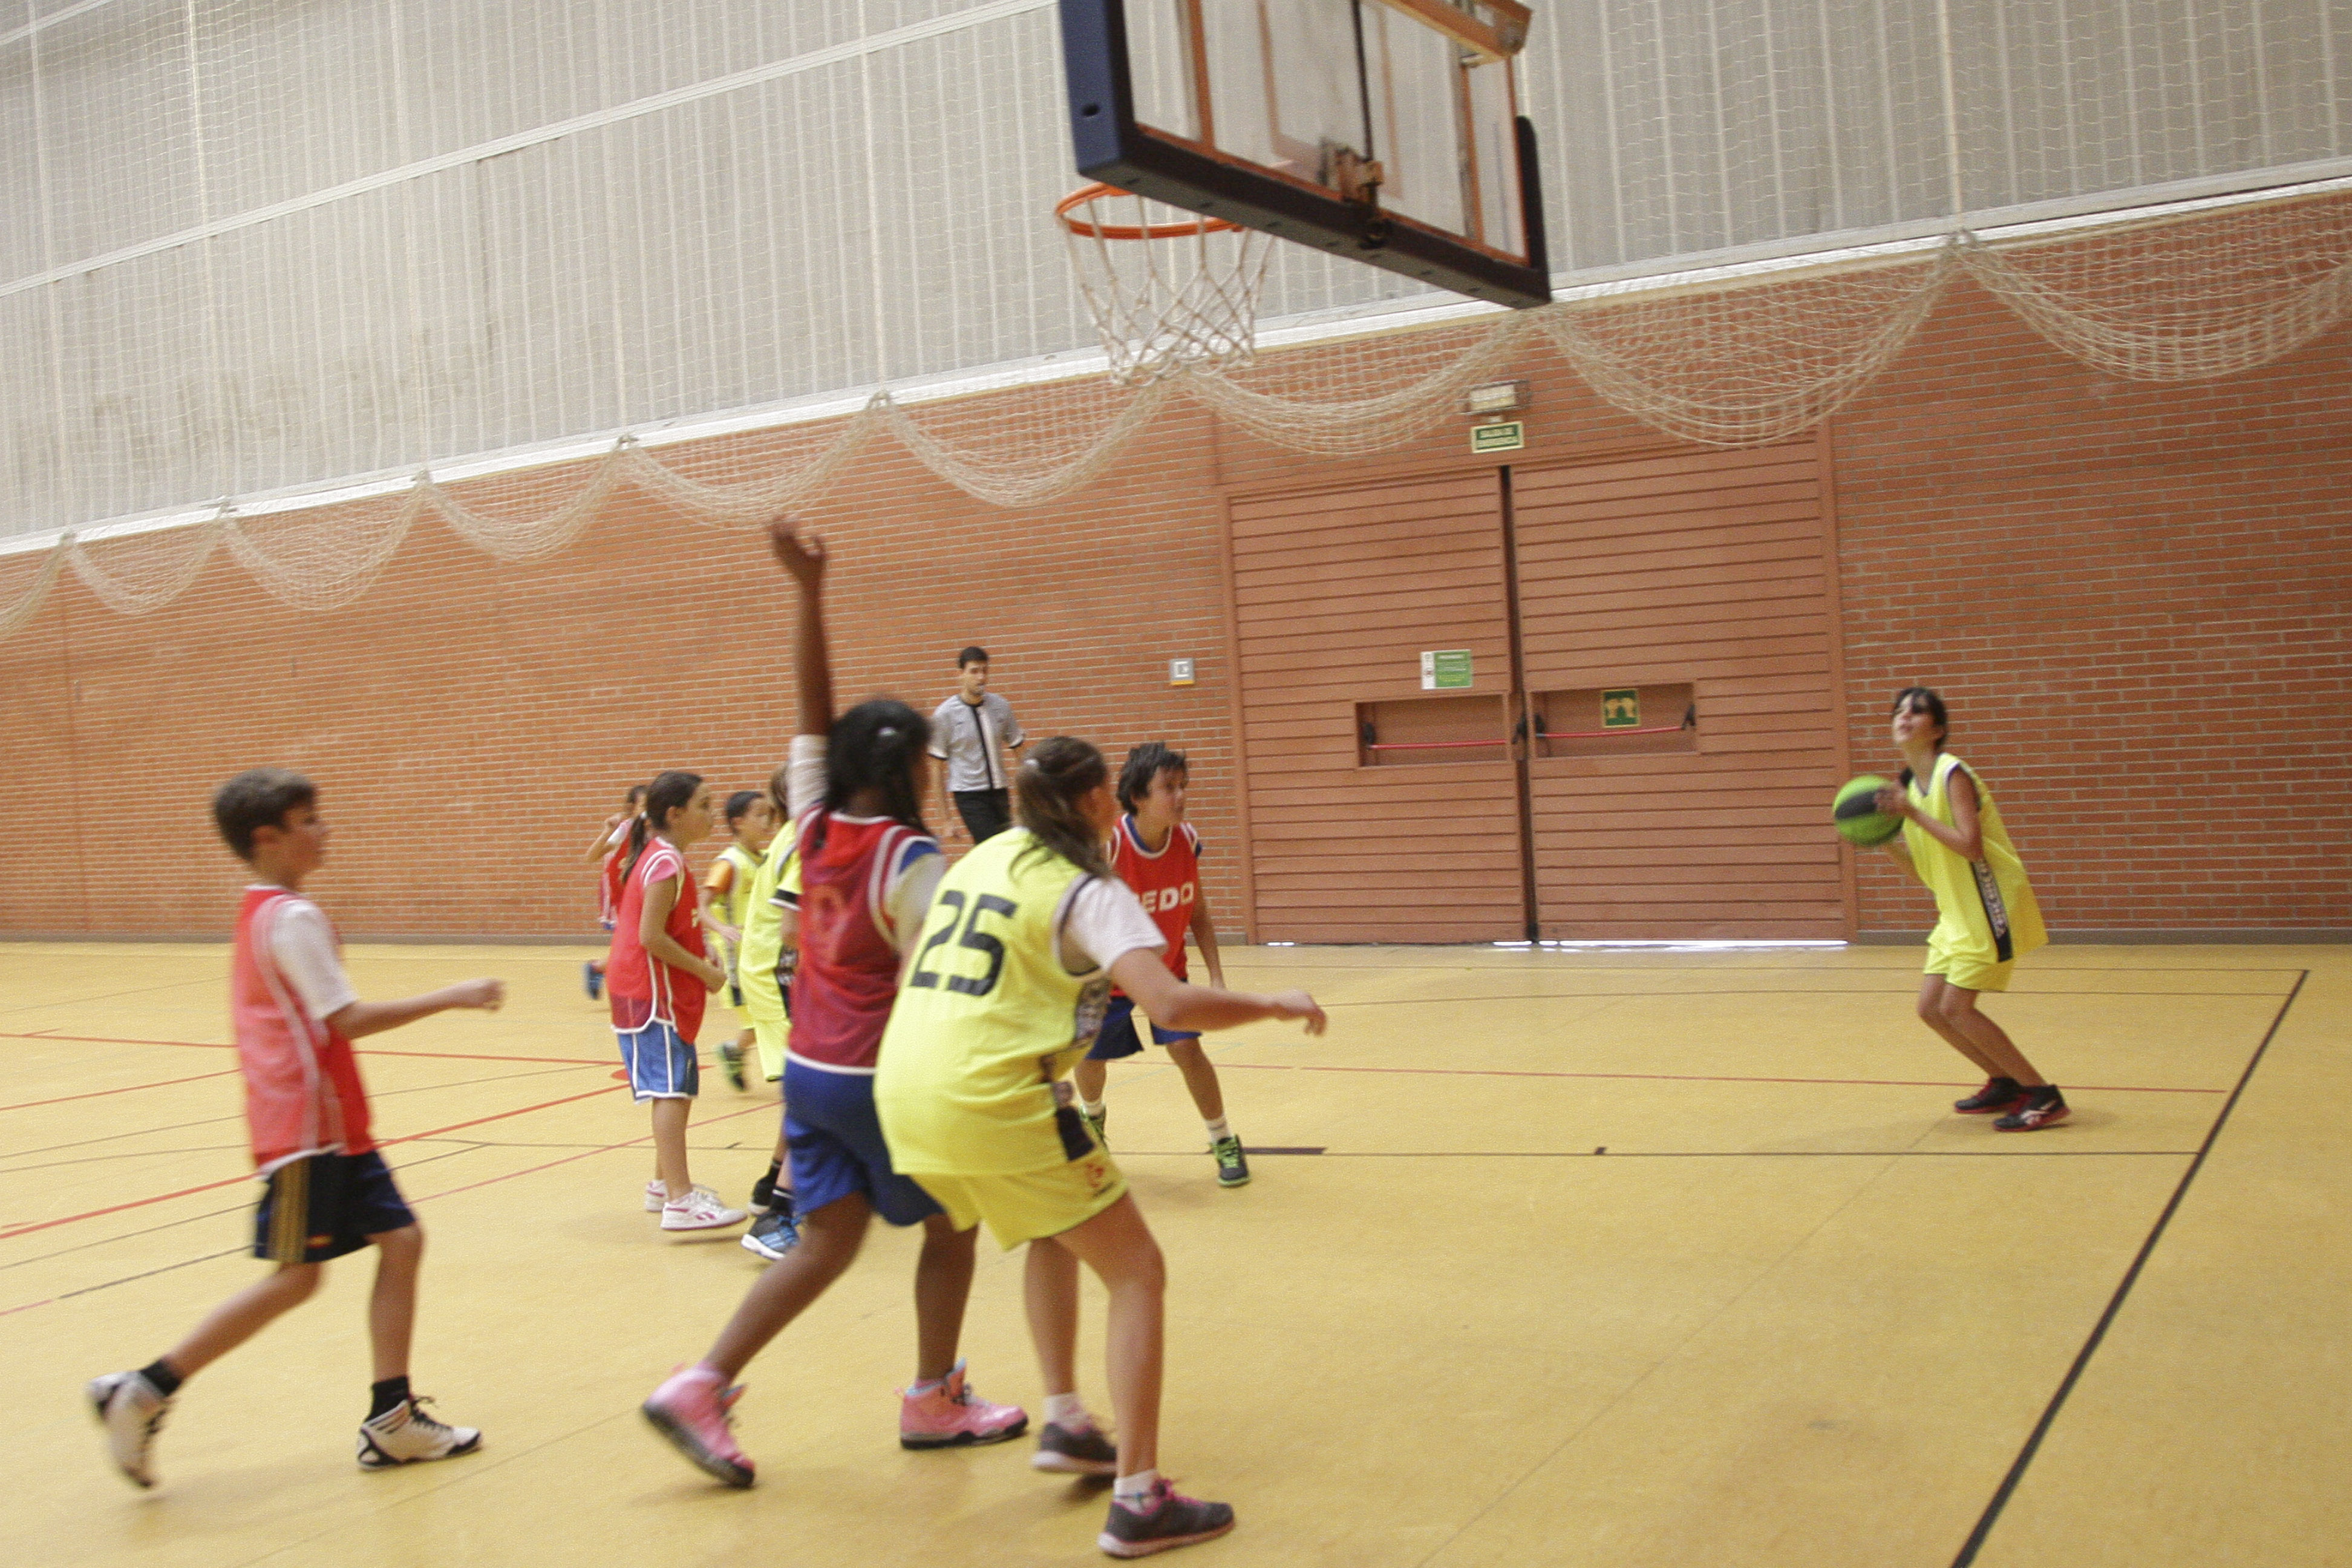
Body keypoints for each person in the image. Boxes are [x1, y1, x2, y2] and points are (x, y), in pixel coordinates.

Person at [641, 520, 1024, 1486]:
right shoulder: (915, 862)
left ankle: (703, 1383)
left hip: (809, 1073)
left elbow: (812, 715)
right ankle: (935, 1396)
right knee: (954, 1225)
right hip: (878, 1076)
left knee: (831, 1236)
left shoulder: (811, 818)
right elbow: (951, 990)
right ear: (907, 773)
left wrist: (808, 592)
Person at [875, 736, 1326, 1557]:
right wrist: (1269, 999)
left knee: (1055, 1227)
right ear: (1098, 803)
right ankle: (1138, 1498)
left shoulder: (982, 859)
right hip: (993, 1094)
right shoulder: (1090, 884)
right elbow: (1170, 1002)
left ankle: (1067, 1419)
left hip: (906, 1083)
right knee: (1137, 1270)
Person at [87, 769, 503, 1490]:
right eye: (310, 821)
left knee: (401, 1241)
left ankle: (392, 1418)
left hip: (334, 1128)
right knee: (296, 1280)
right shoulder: (291, 919)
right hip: (310, 1128)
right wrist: (454, 997)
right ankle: (150, 1387)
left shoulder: (266, 910)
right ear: (267, 838)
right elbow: (345, 1017)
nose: (325, 831)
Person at [1873, 687, 2066, 1130]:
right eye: (1899, 711)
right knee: (1930, 1009)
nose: (1904, 717)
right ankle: (2004, 1081)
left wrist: (1913, 816)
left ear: (1937, 729)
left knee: (1958, 1009)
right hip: (1955, 912)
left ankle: (2043, 1095)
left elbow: (1970, 846)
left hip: (1989, 905)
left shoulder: (1952, 774)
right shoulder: (1907, 786)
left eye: (1917, 712)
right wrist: (1883, 842)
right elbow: (1927, 872)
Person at [1072, 742, 1249, 1188]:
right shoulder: (1111, 845)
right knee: (1092, 1059)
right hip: (1107, 979)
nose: (1181, 796)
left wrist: (1217, 973)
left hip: (1166, 972)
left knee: (1188, 1050)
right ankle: (1093, 1121)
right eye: (1168, 788)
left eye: (1183, 786)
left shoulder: (1186, 840)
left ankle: (1224, 1139)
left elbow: (1198, 911)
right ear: (1139, 797)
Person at [609, 771, 746, 1230]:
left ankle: (662, 1184)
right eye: (704, 805)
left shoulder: (665, 858)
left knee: (680, 1088)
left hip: (654, 993)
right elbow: (650, 937)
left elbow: (671, 927)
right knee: (670, 1091)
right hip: (649, 995)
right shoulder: (664, 864)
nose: (713, 813)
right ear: (675, 814)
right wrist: (705, 970)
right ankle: (681, 1200)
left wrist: (699, 947)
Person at [735, 763, 805, 1261]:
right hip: (778, 970)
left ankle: (771, 1187)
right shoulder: (805, 837)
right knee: (811, 1093)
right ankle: (776, 1216)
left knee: (810, 1091)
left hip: (767, 970)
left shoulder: (789, 833)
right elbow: (793, 929)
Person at [704, 790, 777, 1093]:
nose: (767, 821)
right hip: (737, 956)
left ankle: (734, 1052)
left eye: (769, 814)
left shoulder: (767, 858)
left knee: (763, 1018)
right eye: (758, 815)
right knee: (764, 1017)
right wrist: (721, 930)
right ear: (738, 823)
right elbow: (702, 905)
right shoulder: (729, 863)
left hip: (763, 950)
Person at [930, 645, 1025, 843]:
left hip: (1000, 791)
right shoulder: (945, 715)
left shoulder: (1000, 707)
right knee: (991, 846)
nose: (981, 678)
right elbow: (936, 768)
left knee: (1008, 847)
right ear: (960, 675)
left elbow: (1021, 753)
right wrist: (946, 819)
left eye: (984, 671)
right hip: (969, 795)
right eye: (974, 671)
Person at [584, 783, 647, 1000]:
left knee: (641, 941)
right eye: (644, 805)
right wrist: (608, 831)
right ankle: (600, 969)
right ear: (632, 808)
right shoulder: (625, 828)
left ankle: (602, 969)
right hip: (618, 891)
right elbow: (591, 856)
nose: (649, 809)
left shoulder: (654, 829)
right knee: (633, 943)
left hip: (639, 891)